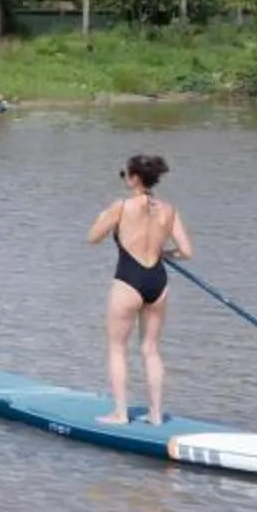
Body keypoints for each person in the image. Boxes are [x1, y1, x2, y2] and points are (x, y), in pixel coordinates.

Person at [87, 153, 193, 425]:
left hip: (129, 280)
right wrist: (165, 254)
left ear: (134, 178)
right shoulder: (169, 210)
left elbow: (93, 237)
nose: (124, 178)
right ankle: (156, 415)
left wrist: (102, 217)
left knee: (117, 348)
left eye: (125, 174)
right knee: (151, 349)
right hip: (157, 281)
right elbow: (186, 252)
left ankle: (120, 413)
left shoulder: (121, 207)